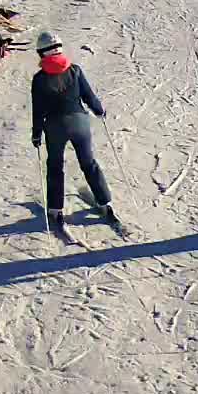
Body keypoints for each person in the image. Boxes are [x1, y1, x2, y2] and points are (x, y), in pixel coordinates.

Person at [30, 31, 117, 239]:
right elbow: (88, 96)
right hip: (80, 122)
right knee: (89, 163)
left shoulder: (40, 79)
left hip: (55, 126)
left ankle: (55, 209)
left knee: (55, 166)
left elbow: (38, 109)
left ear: (41, 53)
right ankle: (104, 202)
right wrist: (99, 110)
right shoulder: (75, 71)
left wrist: (36, 133)